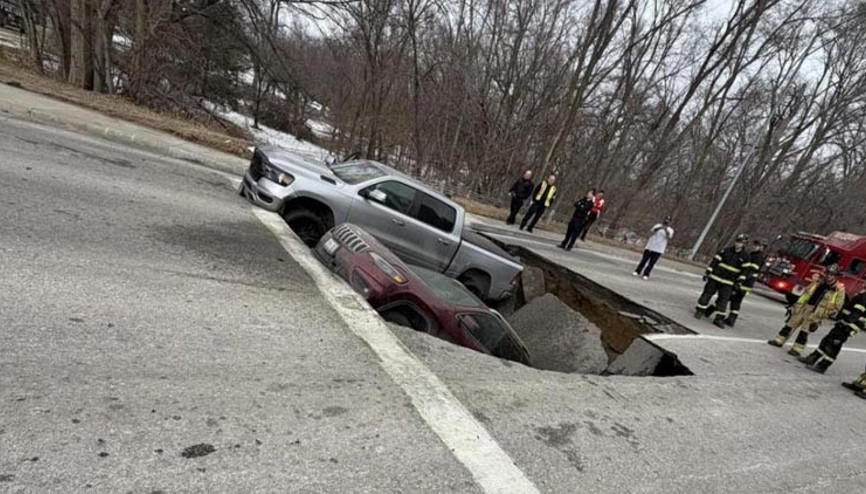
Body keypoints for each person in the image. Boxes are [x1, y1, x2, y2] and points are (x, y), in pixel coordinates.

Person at [767, 264, 845, 356]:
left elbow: (837, 306)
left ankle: (797, 349)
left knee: (804, 331)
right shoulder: (818, 282)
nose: (828, 276)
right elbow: (806, 293)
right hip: (804, 307)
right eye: (828, 273)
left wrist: (823, 314)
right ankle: (778, 341)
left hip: (816, 312)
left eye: (831, 274)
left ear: (836, 276)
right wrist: (796, 306)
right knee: (790, 324)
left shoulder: (839, 289)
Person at [798, 286, 866, 373]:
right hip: (843, 323)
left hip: (847, 326)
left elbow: (857, 312)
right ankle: (812, 358)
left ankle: (822, 366)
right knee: (826, 340)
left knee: (834, 345)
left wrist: (845, 322)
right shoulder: (863, 293)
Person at [695, 234, 748, 329]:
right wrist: (708, 272)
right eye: (737, 241)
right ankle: (700, 311)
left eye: (740, 242)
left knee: (723, 300)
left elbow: (744, 271)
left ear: (744, 244)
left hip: (729, 282)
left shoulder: (745, 257)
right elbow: (715, 261)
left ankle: (719, 319)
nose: (738, 244)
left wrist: (739, 282)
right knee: (707, 294)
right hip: (715, 277)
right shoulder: (725, 251)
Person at [720, 239, 766, 327]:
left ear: (761, 247)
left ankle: (716, 313)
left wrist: (741, 280)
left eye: (757, 245)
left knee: (729, 297)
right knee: (735, 301)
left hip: (745, 283)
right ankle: (731, 319)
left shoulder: (758, 257)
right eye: (754, 245)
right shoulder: (754, 255)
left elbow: (751, 271)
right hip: (746, 283)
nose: (754, 247)